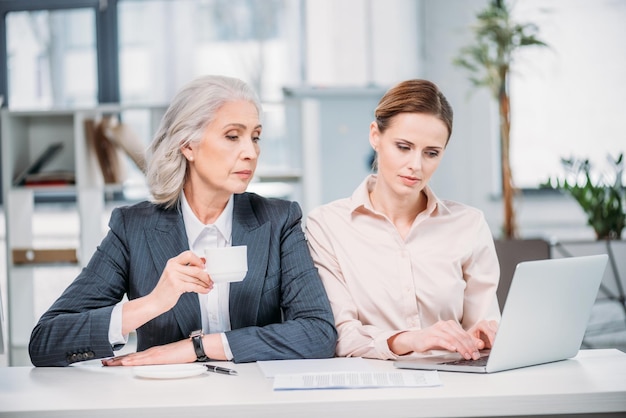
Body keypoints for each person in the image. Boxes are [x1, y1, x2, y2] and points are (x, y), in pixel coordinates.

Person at [29, 75, 337, 367]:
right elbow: (45, 341)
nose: (250, 152)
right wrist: (152, 303)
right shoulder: (133, 227)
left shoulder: (279, 220)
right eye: (233, 136)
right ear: (187, 145)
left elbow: (318, 333)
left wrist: (197, 348)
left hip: (253, 398)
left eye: (255, 137)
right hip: (169, 401)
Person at [305, 79, 500, 361]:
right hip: (370, 390)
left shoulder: (468, 225)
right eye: (403, 147)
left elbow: (484, 324)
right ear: (375, 135)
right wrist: (412, 340)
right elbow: (340, 337)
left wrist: (486, 336)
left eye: (431, 153)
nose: (416, 166)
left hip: (455, 386)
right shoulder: (327, 225)